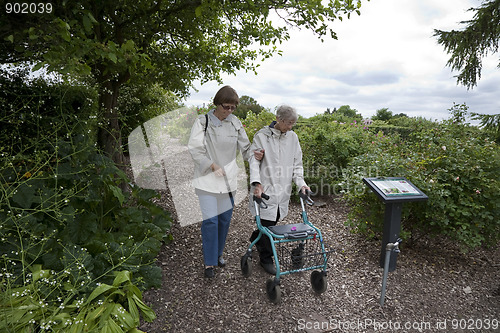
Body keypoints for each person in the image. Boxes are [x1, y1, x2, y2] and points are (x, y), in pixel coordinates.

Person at [188, 85, 263, 278]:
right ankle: (209, 263)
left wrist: (255, 153)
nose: (229, 111)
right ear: (217, 103)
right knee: (211, 221)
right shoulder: (202, 122)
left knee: (224, 221)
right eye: (226, 107)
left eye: (232, 108)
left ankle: (218, 254)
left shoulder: (235, 123)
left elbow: (245, 149)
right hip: (207, 180)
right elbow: (195, 149)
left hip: (228, 181)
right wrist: (212, 166)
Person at [248, 104, 310, 275]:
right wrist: (257, 184)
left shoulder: (292, 138)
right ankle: (265, 259)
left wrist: (302, 183)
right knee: (268, 224)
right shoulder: (262, 136)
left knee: (273, 221)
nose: (291, 127)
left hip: (282, 188)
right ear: (279, 120)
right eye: (289, 123)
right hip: (265, 188)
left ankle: (256, 238)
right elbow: (254, 161)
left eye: (293, 124)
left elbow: (297, 165)